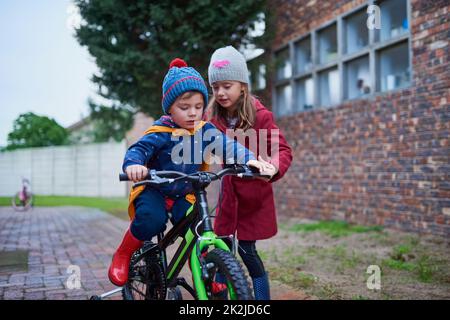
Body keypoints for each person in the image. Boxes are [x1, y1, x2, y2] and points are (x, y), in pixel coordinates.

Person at [108, 58, 267, 287]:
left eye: (198, 107)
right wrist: (134, 165)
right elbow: (139, 149)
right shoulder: (161, 131)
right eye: (184, 108)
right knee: (151, 220)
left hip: (185, 193)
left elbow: (228, 145)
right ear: (170, 108)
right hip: (156, 189)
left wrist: (250, 160)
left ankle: (205, 274)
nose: (193, 113)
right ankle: (123, 254)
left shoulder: (204, 130)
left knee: (200, 229)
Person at [207, 46, 293, 300]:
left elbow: (282, 150)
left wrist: (273, 166)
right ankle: (220, 299)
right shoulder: (212, 118)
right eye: (215, 87)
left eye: (227, 86)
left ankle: (260, 299)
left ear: (242, 85)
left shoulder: (261, 117)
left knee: (247, 252)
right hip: (228, 200)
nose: (221, 93)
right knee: (222, 251)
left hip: (253, 198)